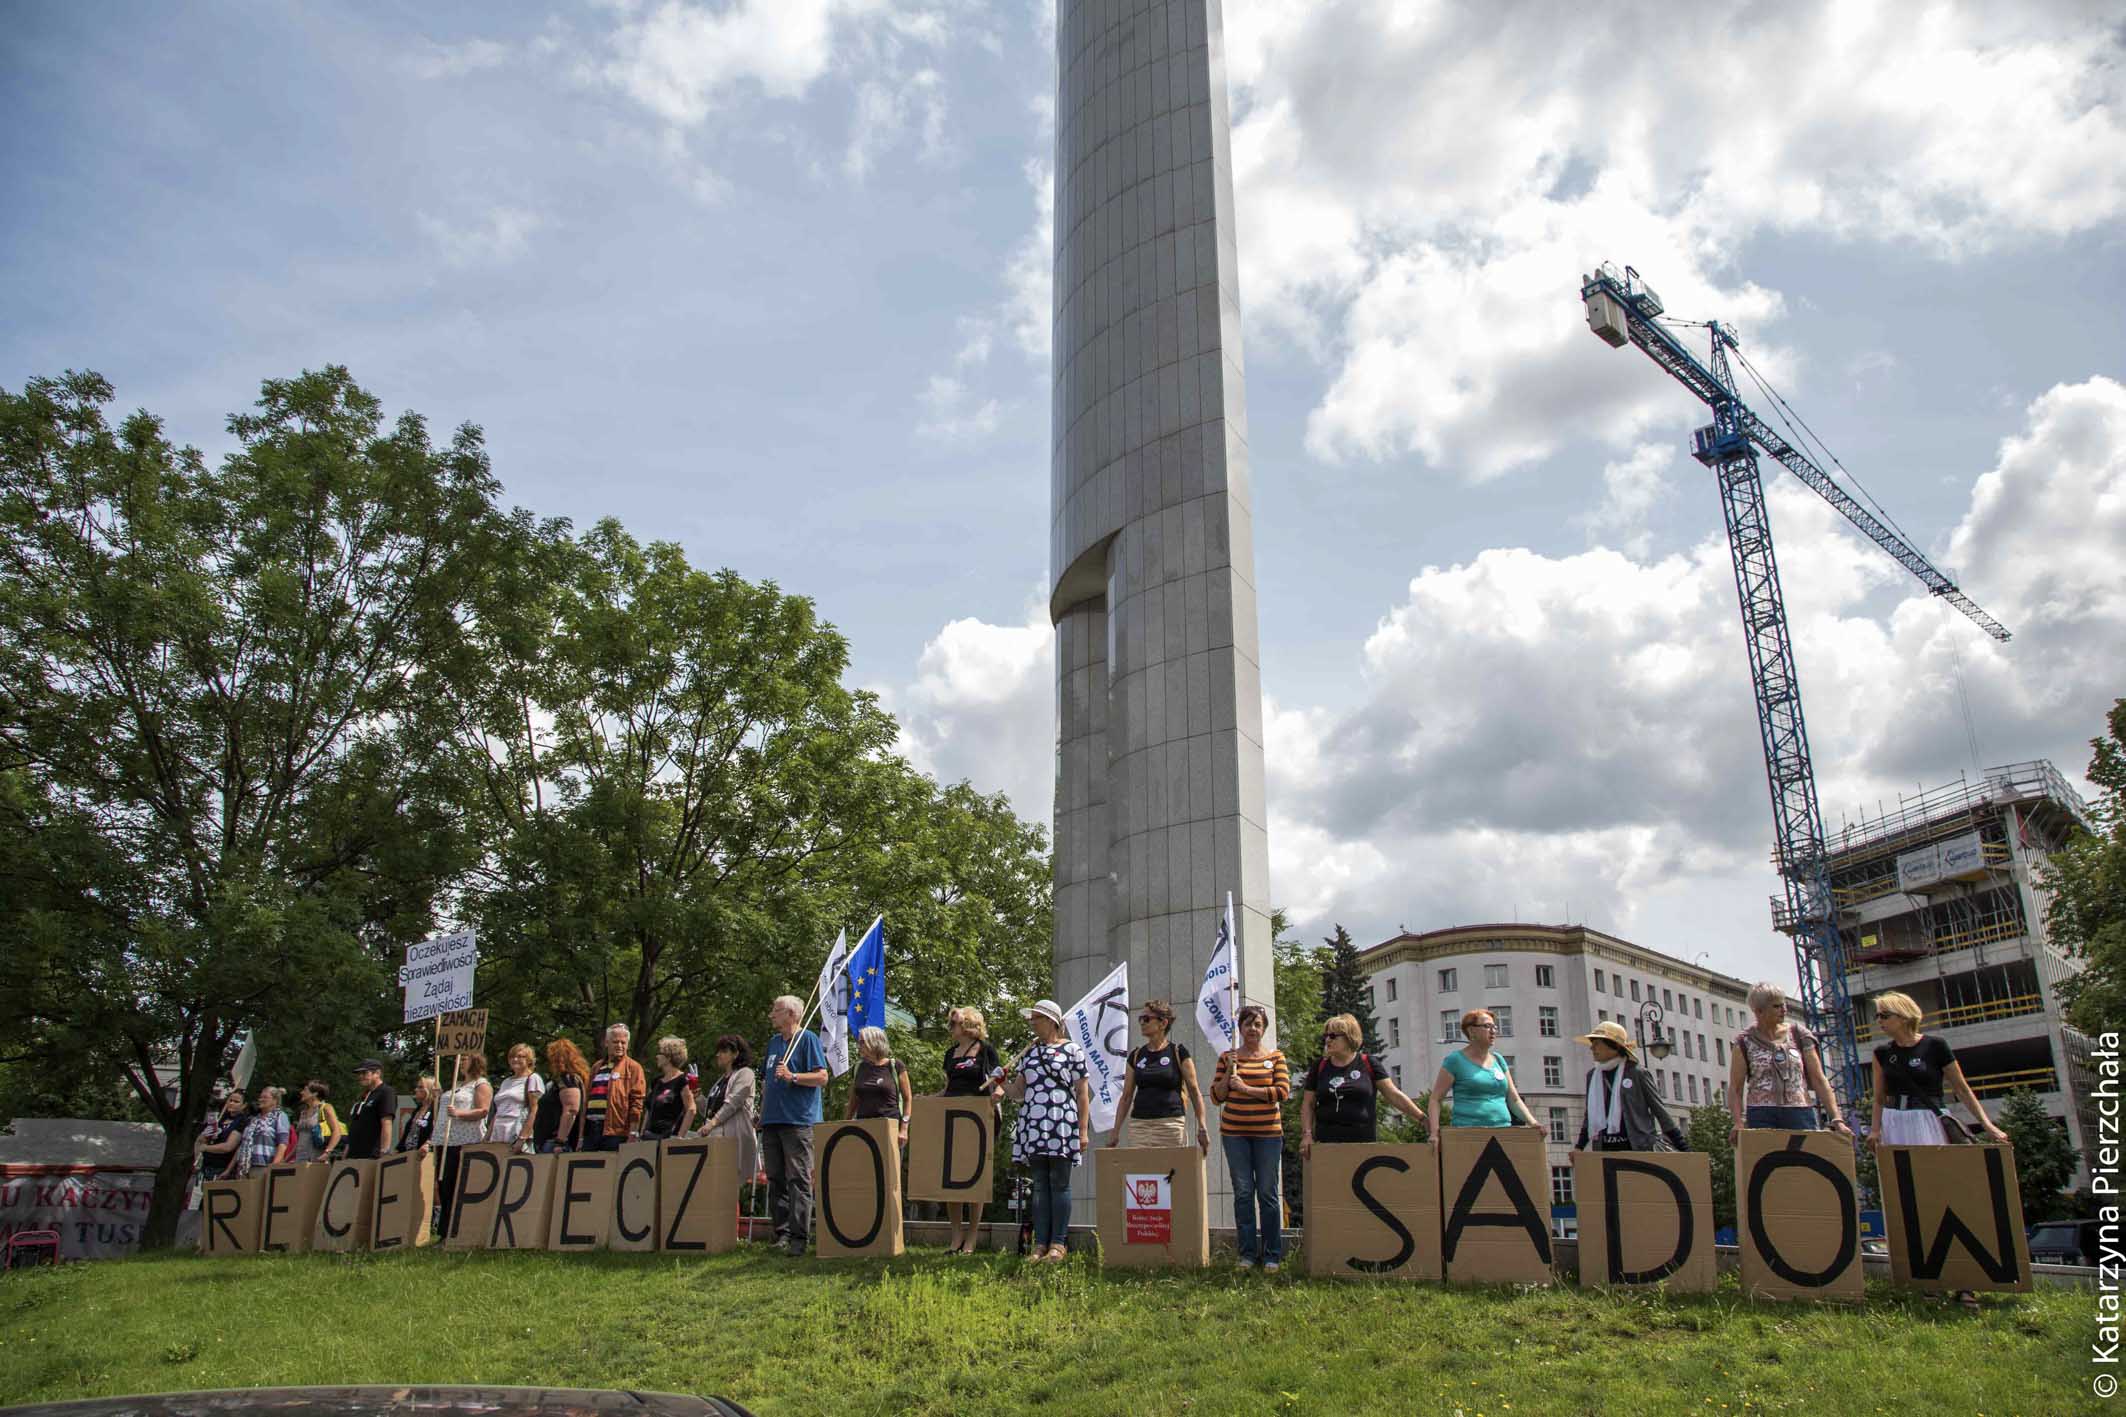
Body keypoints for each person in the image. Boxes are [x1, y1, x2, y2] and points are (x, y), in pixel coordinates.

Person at [1001, 998, 1090, 1263]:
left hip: (1061, 1121)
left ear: (1052, 1021)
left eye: (1036, 1018)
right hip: (1034, 1123)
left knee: (1059, 1183)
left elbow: (1082, 1092)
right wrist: (1001, 1082)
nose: (1032, 1023)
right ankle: (1039, 1243)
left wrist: (1082, 1131)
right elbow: (1019, 1093)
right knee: (1039, 1185)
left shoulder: (1072, 1050)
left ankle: (1058, 1244)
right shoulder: (1028, 1053)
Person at [1870, 990, 2008, 1147]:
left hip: (1928, 1117)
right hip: (1894, 1120)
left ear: (1903, 1016)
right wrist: (1875, 1130)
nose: (1879, 1021)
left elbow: (1962, 1089)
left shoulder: (1935, 1046)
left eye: (1884, 1016)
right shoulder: (1881, 1053)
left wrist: (1987, 1124)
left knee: (1933, 1166)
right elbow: (1879, 1098)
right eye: (1877, 1016)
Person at [1211, 1003, 1290, 1271]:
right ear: (1240, 1028)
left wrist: (1245, 1089)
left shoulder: (1276, 1057)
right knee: (1243, 1192)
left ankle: (1272, 1254)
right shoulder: (1228, 1057)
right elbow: (1216, 1096)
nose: (1253, 1029)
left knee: (1267, 1192)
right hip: (1235, 1134)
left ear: (1264, 1028)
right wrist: (1228, 1079)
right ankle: (1246, 1254)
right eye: (1248, 1024)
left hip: (1268, 1134)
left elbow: (1281, 1092)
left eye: (1257, 1024)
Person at [1728, 982, 1852, 1139]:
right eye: (1776, 1006)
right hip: (1761, 1114)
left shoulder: (1799, 1034)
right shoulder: (1744, 1041)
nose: (1784, 1010)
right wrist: (1738, 1122)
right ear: (1759, 1011)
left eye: (1784, 1004)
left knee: (1804, 1160)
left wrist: (1837, 1119)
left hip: (1799, 1111)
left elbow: (1819, 1079)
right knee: (1768, 1161)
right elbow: (1735, 1088)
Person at [760, 994, 829, 1256]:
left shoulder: (807, 1039)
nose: (771, 1015)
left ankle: (800, 1237)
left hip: (798, 1120)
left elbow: (822, 1077)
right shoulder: (774, 1043)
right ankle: (781, 1233)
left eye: (776, 1011)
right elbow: (768, 1080)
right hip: (772, 1120)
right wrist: (762, 1111)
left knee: (798, 1179)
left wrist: (794, 1076)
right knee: (775, 1178)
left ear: (791, 1014)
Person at [1300, 1013, 1426, 1157]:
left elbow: (1394, 1095)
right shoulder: (1319, 1066)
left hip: (1364, 1146)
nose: (1328, 1040)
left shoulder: (1369, 1063)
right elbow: (1308, 1104)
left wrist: (1422, 1119)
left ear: (1349, 1037)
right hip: (1326, 1146)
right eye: (1326, 1036)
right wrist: (1307, 1135)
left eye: (1333, 1036)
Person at [1107, 998, 1209, 1153]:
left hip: (1170, 1124)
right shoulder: (1136, 1055)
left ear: (1163, 1023)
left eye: (1147, 1019)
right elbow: (1126, 1096)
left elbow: (1194, 1092)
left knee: (1171, 1174)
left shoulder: (1178, 1052)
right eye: (1141, 1018)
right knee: (1142, 1175)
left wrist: (1202, 1126)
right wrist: (1116, 1131)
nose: (1142, 1022)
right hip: (1140, 1126)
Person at [938, 1007, 1000, 1254]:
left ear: (968, 1024)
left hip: (978, 1120)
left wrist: (998, 1092)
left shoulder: (986, 1050)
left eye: (954, 1022)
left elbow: (998, 1080)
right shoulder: (950, 1053)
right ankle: (956, 1235)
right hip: (952, 1118)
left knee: (975, 1176)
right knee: (951, 1177)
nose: (950, 1027)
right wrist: (929, 1099)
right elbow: (946, 1088)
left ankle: (972, 1237)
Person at [1572, 1020, 1686, 1152]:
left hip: (1638, 1148)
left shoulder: (1637, 1073)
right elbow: (1590, 1116)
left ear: (1614, 1046)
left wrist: (1684, 1148)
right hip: (1605, 1150)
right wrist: (1579, 1147)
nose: (1592, 1048)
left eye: (1597, 1044)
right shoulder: (1593, 1076)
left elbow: (1660, 1111)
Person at [1428, 1009, 1541, 1133]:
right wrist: (1435, 1133)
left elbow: (1514, 1099)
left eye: (1494, 1027)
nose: (1493, 1031)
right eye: (1487, 1026)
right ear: (1471, 1031)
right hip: (1468, 1134)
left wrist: (1533, 1123)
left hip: (1503, 1131)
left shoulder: (1499, 1060)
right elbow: (1435, 1099)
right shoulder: (1455, 1060)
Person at [691, 1034, 758, 1191]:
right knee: (714, 1187)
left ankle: (730, 1216)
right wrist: (699, 1098)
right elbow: (709, 1111)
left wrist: (712, 1123)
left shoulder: (745, 1074)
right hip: (715, 1138)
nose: (718, 1054)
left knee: (729, 1186)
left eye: (723, 1051)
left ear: (735, 1054)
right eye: (718, 1050)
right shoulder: (720, 1080)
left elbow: (733, 1103)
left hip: (733, 1138)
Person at [436, 1055, 491, 1237]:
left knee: (458, 1185)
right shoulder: (457, 1084)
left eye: (465, 1058)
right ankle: (445, 1231)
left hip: (464, 1141)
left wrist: (459, 1113)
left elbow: (483, 1110)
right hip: (445, 1141)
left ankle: (460, 1231)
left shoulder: (480, 1084)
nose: (460, 1062)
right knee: (444, 1185)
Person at [845, 1026, 913, 1146]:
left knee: (889, 1165)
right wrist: (845, 1126)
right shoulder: (858, 1067)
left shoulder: (895, 1066)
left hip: (890, 1127)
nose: (858, 1046)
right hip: (863, 1129)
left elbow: (908, 1099)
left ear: (874, 1042)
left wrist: (904, 1129)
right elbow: (853, 1101)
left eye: (862, 1042)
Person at [585, 1024, 647, 1152]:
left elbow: (637, 1102)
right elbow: (586, 1100)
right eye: (615, 1042)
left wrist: (633, 1132)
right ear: (607, 1043)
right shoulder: (596, 1067)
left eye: (623, 1043)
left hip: (616, 1131)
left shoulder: (633, 1067)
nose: (619, 1046)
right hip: (591, 1129)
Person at [534, 1039, 590, 1154]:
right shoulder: (568, 1080)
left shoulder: (567, 1079)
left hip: (556, 1143)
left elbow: (571, 1110)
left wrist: (560, 1141)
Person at [336, 1060, 397, 1160]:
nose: (360, 1076)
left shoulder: (386, 1092)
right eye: (359, 1074)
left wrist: (384, 1151)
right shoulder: (365, 1095)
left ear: (377, 1073)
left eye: (364, 1073)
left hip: (371, 1155)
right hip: (354, 1155)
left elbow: (387, 1122)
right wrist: (346, 1152)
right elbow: (355, 1127)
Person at [488, 1045, 545, 1150]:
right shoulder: (506, 1081)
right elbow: (498, 1111)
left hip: (516, 1129)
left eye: (520, 1056)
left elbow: (533, 1109)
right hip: (498, 1130)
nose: (515, 1059)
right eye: (512, 1057)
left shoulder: (533, 1078)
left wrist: (522, 1137)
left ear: (529, 1060)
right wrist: (487, 1137)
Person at [644, 1037, 698, 1140]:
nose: (656, 1056)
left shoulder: (682, 1080)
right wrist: (641, 1134)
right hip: (649, 1138)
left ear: (669, 1057)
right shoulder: (656, 1082)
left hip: (668, 1138)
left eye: (660, 1053)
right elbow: (648, 1111)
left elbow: (691, 1109)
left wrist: (679, 1137)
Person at [238, 1087, 290, 1176]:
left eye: (265, 1097)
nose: (260, 1099)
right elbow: (242, 1145)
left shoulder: (280, 1116)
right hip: (245, 1167)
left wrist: (273, 1167)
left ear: (275, 1100)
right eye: (260, 1097)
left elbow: (283, 1144)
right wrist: (228, 1169)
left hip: (264, 1166)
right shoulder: (254, 1119)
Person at [288, 1081, 341, 1163]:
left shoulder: (325, 1108)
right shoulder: (303, 1112)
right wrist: (286, 1159)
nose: (301, 1092)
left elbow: (337, 1132)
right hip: (300, 1160)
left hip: (317, 1160)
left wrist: (327, 1152)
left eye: (305, 1090)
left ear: (315, 1094)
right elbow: (300, 1141)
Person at [398, 1076, 438, 1155]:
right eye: (417, 1087)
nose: (416, 1090)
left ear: (430, 1090)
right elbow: (408, 1132)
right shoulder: (417, 1110)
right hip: (408, 1154)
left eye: (420, 1087)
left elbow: (437, 1131)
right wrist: (399, 1149)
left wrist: (428, 1144)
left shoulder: (436, 1109)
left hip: (424, 1155)